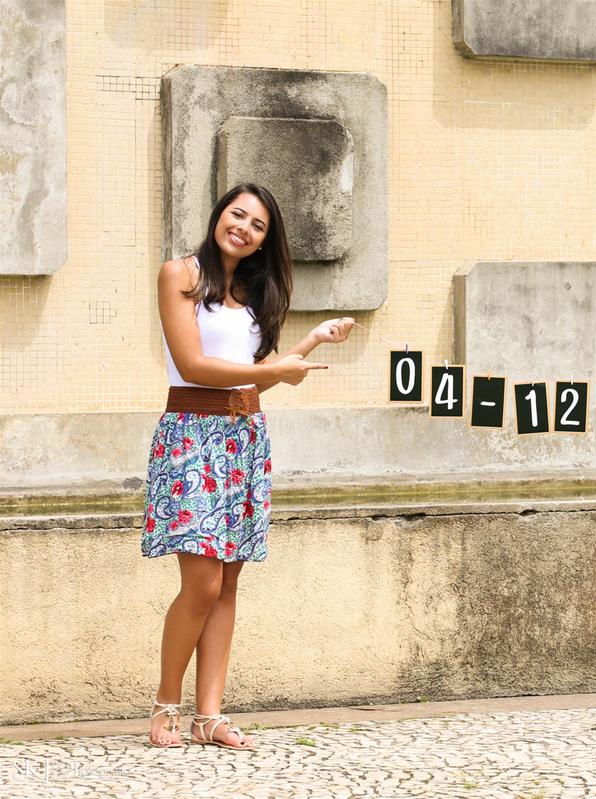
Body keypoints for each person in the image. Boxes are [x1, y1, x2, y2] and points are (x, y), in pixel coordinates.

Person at [145, 183, 356, 749]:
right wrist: (272, 375)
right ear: (219, 215)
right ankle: (166, 706)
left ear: (265, 241)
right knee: (201, 583)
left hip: (244, 437)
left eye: (258, 224)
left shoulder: (253, 293)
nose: (243, 227)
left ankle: (209, 715)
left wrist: (310, 341)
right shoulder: (180, 275)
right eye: (237, 214)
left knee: (228, 583)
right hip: (193, 438)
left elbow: (255, 370)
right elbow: (193, 366)